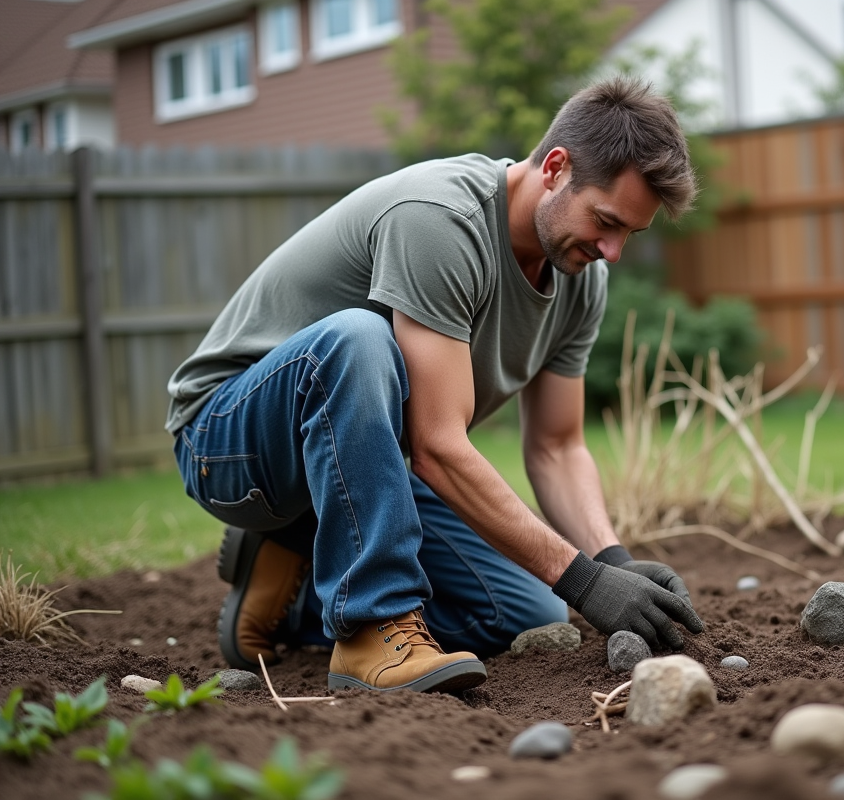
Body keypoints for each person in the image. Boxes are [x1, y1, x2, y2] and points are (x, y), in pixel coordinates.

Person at [165, 77, 705, 695]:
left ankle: (296, 578)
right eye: (606, 221)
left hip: (356, 461)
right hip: (227, 441)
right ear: (556, 168)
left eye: (629, 234)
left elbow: (557, 446)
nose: (612, 251)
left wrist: (613, 562)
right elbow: (437, 445)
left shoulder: (580, 278)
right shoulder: (441, 219)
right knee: (360, 337)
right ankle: (371, 627)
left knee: (526, 614)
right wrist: (584, 582)